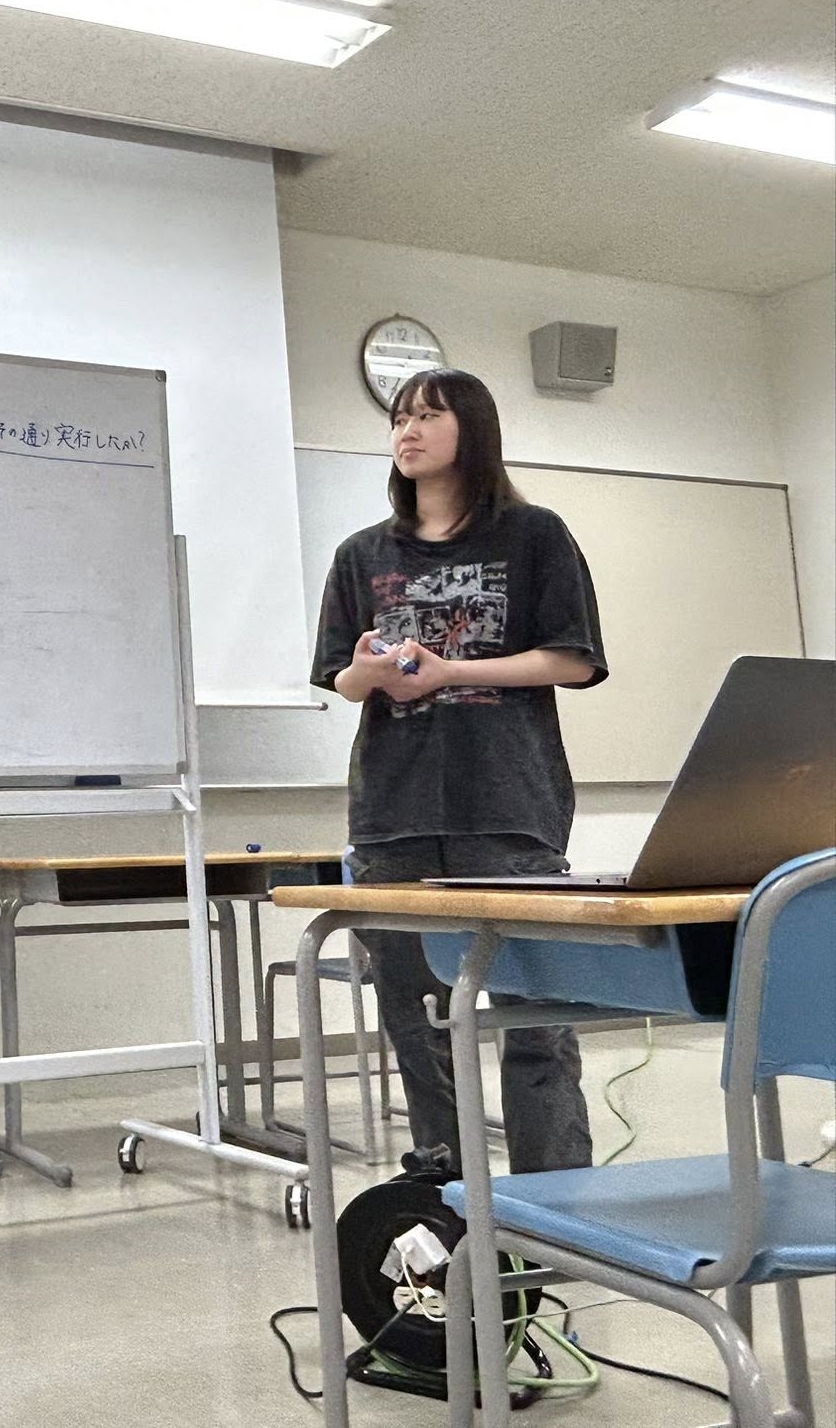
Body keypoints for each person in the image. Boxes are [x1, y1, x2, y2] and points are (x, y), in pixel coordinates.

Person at [311, 367, 608, 1176]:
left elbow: (574, 660)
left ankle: (557, 1203)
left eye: (427, 416)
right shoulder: (361, 554)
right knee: (416, 1021)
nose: (406, 431)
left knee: (533, 1017)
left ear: (471, 431)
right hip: (393, 812)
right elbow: (341, 676)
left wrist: (451, 672)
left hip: (508, 803)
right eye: (398, 419)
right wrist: (369, 672)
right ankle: (443, 1198)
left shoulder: (534, 535)